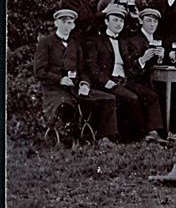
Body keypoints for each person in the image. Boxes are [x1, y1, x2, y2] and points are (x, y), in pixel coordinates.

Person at [34, 9, 118, 145]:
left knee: (108, 98)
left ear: (73, 25)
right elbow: (39, 71)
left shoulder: (75, 44)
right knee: (66, 104)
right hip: (54, 90)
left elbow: (82, 70)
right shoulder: (46, 42)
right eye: (63, 22)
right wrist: (59, 79)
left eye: (70, 23)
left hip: (74, 87)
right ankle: (69, 137)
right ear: (56, 23)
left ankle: (104, 137)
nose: (66, 25)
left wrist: (84, 84)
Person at [85, 5, 164, 143]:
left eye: (121, 21)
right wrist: (105, 81)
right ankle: (136, 136)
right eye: (115, 20)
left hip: (125, 80)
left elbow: (132, 68)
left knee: (151, 96)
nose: (118, 24)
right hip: (108, 80)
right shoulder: (96, 41)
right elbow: (92, 67)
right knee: (132, 98)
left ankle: (153, 132)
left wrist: (142, 60)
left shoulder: (123, 42)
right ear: (106, 22)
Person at [127, 8, 166, 84]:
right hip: (139, 82)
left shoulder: (160, 39)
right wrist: (143, 59)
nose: (152, 24)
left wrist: (161, 58)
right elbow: (129, 68)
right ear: (141, 21)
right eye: (149, 20)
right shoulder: (133, 40)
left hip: (159, 80)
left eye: (155, 21)